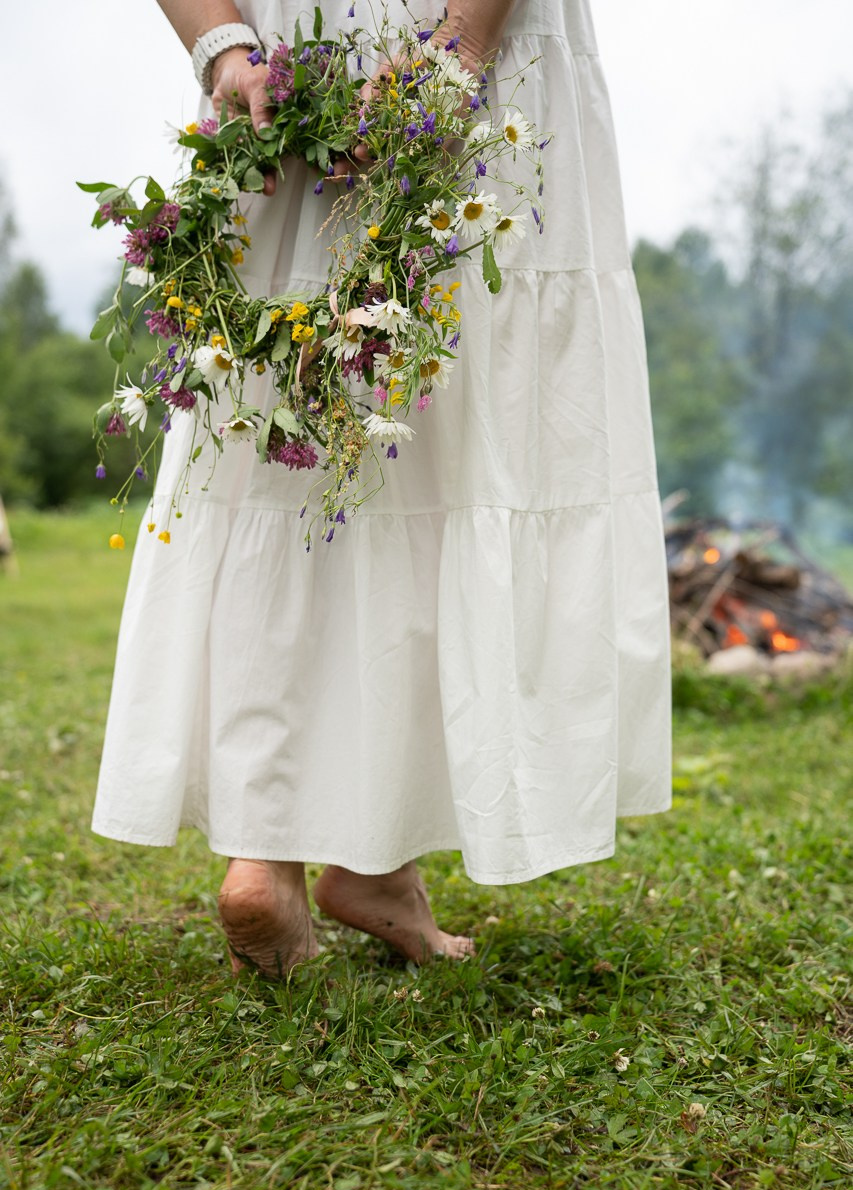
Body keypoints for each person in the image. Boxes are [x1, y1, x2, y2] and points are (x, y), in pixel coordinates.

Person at [92, 0, 672, 977]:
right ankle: (363, 863)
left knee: (287, 435)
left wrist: (225, 49)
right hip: (446, 34)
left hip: (289, 52)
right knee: (457, 442)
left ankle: (277, 854)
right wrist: (460, 49)